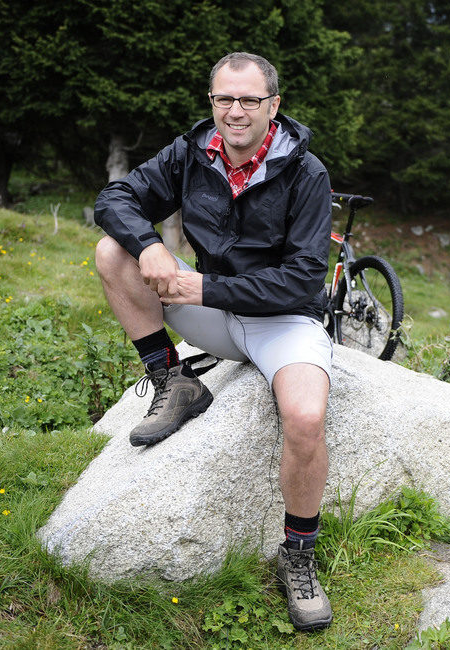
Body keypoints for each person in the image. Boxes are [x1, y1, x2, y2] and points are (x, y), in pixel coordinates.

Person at [93, 52, 334, 632]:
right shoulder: (190, 152)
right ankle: (172, 380)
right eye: (224, 98)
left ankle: (297, 555)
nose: (235, 111)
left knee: (304, 415)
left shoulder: (307, 172)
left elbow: (304, 279)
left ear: (273, 106)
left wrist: (209, 287)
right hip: (212, 310)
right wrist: (150, 245)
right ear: (212, 102)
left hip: (283, 320)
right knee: (112, 251)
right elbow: (114, 201)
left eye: (250, 99)